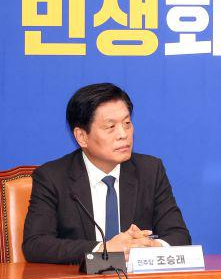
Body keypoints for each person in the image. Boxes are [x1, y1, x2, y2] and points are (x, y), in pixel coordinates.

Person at [23, 83, 191, 264]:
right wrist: (103, 249)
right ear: (82, 137)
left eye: (127, 123)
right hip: (81, 278)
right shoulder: (52, 177)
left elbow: (179, 236)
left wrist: (150, 247)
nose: (123, 134)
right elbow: (35, 244)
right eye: (110, 127)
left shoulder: (150, 170)